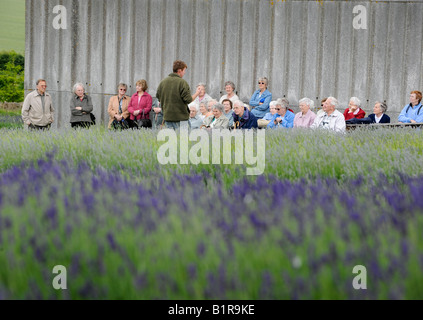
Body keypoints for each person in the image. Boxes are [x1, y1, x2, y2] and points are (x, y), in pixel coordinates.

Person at [156, 60, 201, 129]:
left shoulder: (163, 82)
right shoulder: (182, 83)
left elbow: (158, 97)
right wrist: (197, 93)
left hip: (167, 118)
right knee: (184, 139)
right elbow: (189, 100)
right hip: (181, 119)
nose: (184, 72)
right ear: (179, 70)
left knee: (171, 139)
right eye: (184, 70)